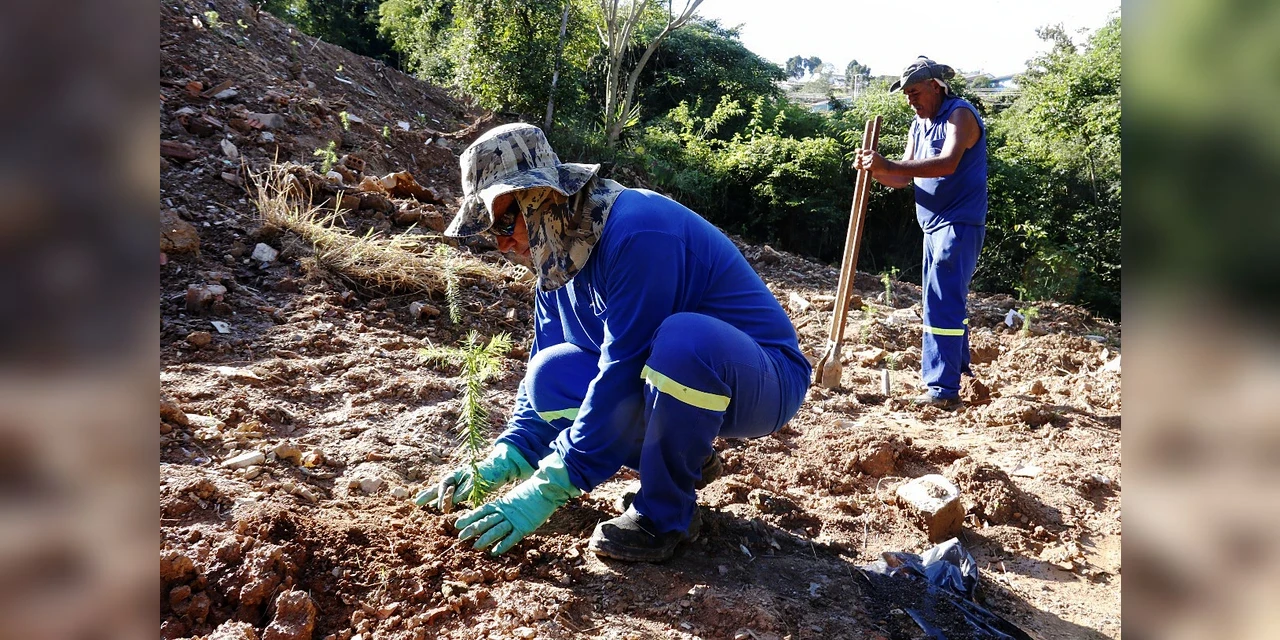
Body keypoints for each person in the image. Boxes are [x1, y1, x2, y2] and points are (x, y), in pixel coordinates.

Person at [413, 123, 810, 562]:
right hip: (673, 378)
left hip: (763, 379)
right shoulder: (557, 261)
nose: (504, 243)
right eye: (492, 231)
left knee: (683, 341)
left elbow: (623, 369)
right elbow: (546, 369)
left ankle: (663, 517)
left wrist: (552, 486)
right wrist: (506, 457)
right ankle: (687, 458)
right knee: (550, 373)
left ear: (545, 195)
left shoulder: (639, 232)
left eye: (507, 221)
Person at [854, 57, 987, 408]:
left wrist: (887, 164)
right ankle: (959, 375)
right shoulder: (919, 124)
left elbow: (948, 163)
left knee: (942, 301)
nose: (911, 100)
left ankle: (942, 389)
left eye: (915, 92)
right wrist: (874, 168)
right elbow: (902, 177)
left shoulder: (960, 114)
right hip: (931, 225)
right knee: (942, 300)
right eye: (907, 95)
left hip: (958, 222)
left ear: (935, 86)